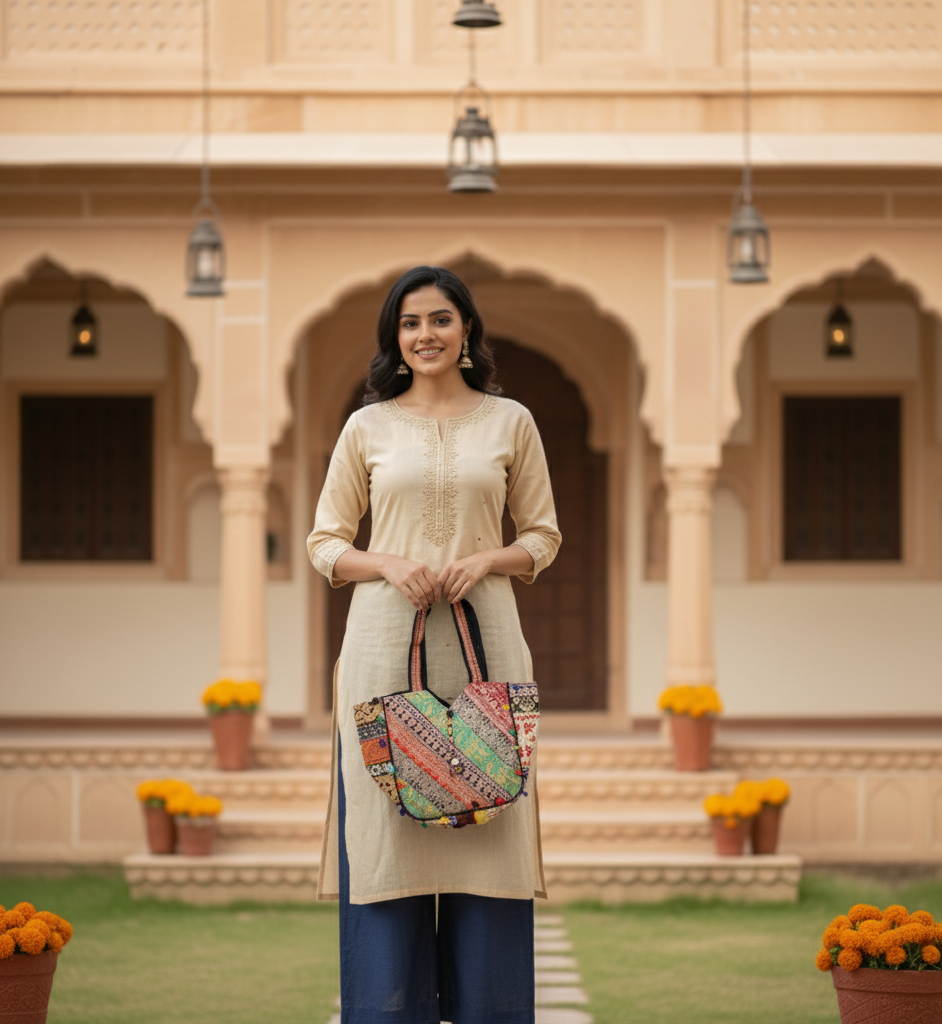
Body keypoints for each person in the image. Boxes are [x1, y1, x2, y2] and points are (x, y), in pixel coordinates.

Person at [307, 265, 561, 1024]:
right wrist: (386, 562)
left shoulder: (509, 420)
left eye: (441, 319)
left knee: (492, 827)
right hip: (385, 646)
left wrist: (489, 557)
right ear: (395, 338)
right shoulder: (368, 427)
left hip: (488, 648)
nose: (426, 335)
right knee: (388, 840)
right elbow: (325, 542)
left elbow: (544, 534)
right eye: (411, 323)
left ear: (467, 331)